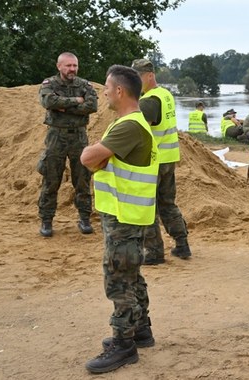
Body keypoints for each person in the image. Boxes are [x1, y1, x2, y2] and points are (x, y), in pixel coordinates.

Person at [80, 65, 159, 373]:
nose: (104, 93)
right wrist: (101, 157)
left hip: (125, 216)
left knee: (119, 277)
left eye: (107, 89)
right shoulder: (131, 123)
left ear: (120, 92)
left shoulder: (129, 126)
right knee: (132, 273)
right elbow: (98, 159)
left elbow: (88, 158)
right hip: (129, 214)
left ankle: (123, 344)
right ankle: (141, 329)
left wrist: (97, 157)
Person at [132, 59, 192, 264]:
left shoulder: (148, 101)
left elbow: (141, 131)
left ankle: (155, 252)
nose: (136, 82)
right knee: (168, 203)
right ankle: (182, 244)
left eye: (138, 77)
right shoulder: (165, 94)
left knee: (147, 206)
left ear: (150, 75)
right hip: (168, 159)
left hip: (152, 161)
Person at [37, 52, 98, 237]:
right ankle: (46, 221)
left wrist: (63, 106)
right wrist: (76, 102)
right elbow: (48, 101)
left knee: (82, 180)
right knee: (51, 179)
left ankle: (85, 219)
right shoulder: (49, 84)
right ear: (59, 66)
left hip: (79, 138)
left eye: (75, 66)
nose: (72, 69)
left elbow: (92, 105)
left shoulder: (84, 85)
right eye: (68, 65)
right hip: (56, 136)